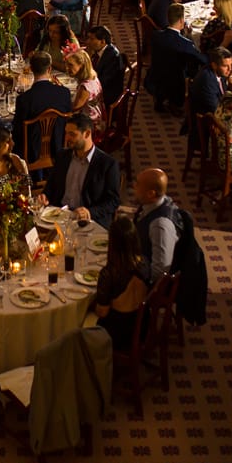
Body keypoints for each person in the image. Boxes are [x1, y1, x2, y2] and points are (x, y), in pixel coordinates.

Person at [42, 114, 121, 228]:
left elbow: (113, 201)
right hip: (60, 216)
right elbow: (51, 185)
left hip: (88, 221)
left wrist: (89, 212)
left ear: (87, 133)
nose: (66, 138)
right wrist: (45, 196)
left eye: (72, 134)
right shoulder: (62, 156)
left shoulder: (107, 164)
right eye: (66, 133)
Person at [93, 216, 152, 352]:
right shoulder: (144, 262)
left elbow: (102, 312)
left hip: (118, 334)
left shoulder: (109, 273)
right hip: (142, 325)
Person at [13, 51, 73, 161]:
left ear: (31, 69)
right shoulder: (65, 93)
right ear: (49, 69)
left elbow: (17, 131)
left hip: (32, 152)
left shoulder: (24, 99)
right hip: (59, 147)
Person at [147, 3, 205, 114]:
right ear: (181, 20)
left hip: (155, 75)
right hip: (175, 81)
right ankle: (175, 104)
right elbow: (201, 59)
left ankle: (160, 100)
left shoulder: (156, 36)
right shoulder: (185, 44)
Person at [132, 168, 183, 280]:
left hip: (145, 282)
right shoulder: (156, 202)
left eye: (138, 184)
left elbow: (159, 273)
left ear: (151, 193)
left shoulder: (160, 225)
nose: (134, 186)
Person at [65, 49, 105, 132]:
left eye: (70, 65)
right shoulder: (93, 77)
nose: (67, 68)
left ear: (82, 66)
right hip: (97, 117)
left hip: (90, 125)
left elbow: (74, 109)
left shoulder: (85, 87)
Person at [85, 25, 125, 106]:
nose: (88, 42)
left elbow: (104, 81)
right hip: (99, 86)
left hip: (108, 95)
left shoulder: (113, 57)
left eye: (92, 39)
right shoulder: (98, 51)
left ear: (103, 41)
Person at [190, 47, 232, 116]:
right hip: (207, 120)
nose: (230, 69)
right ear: (214, 65)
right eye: (225, 66)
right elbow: (215, 108)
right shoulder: (207, 80)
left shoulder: (219, 73)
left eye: (231, 65)